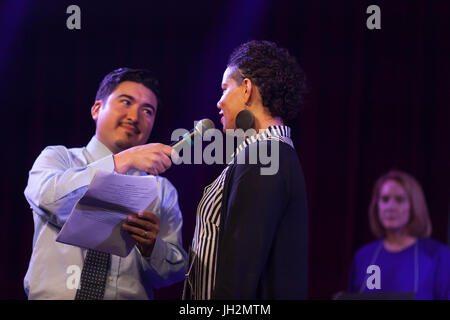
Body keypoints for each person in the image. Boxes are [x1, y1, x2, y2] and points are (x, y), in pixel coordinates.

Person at [24, 68, 187, 299]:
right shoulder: (58, 158)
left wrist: (153, 248)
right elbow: (48, 199)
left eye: (147, 111)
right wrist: (122, 160)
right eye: (126, 102)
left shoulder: (161, 190)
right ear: (97, 109)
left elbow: (176, 272)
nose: (135, 116)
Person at [183, 40, 309, 299]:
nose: (219, 102)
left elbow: (241, 270)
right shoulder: (264, 153)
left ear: (247, 88)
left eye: (225, 89)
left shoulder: (265, 156)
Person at [347, 170, 450, 299]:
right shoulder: (363, 256)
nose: (390, 207)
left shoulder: (438, 256)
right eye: (385, 199)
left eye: (399, 200)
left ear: (414, 206)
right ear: (376, 206)